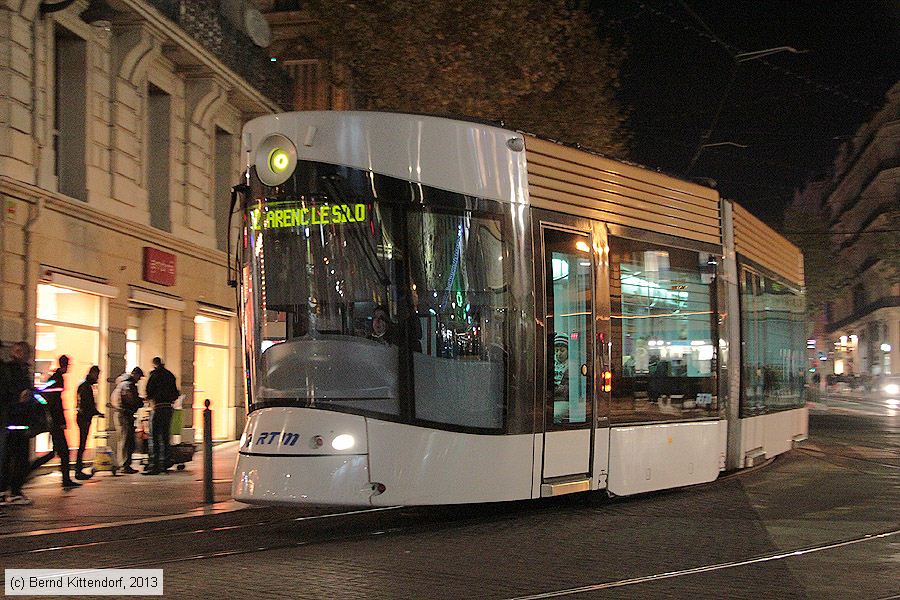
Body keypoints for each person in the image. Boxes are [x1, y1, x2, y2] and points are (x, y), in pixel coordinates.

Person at [30, 355, 80, 488]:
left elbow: (44, 394)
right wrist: (58, 418)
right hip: (56, 422)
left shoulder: (56, 378)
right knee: (63, 451)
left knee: (56, 452)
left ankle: (30, 469)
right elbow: (55, 402)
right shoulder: (57, 379)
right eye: (68, 365)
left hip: (55, 420)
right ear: (65, 365)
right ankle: (65, 480)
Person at [1, 342, 34, 502]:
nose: (28, 356)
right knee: (13, 458)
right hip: (13, 419)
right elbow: (6, 393)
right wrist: (18, 399)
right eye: (27, 353)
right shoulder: (10, 370)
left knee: (15, 458)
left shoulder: (22, 370)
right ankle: (11, 491)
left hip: (18, 419)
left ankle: (11, 491)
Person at [144, 357, 178, 475]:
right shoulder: (170, 375)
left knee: (154, 436)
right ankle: (165, 463)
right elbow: (175, 393)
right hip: (168, 408)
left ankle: (155, 465)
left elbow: (149, 391)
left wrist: (150, 399)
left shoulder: (154, 375)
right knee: (165, 436)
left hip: (158, 407)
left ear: (154, 365)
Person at [108, 367, 143, 474]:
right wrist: (140, 402)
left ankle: (124, 464)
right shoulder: (128, 385)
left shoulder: (121, 384)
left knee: (124, 440)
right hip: (125, 415)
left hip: (121, 414)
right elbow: (131, 399)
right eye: (139, 377)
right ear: (135, 374)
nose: (139, 379)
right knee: (126, 440)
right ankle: (125, 465)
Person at [74, 366, 103, 480]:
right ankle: (78, 470)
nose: (98, 378)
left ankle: (78, 469)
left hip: (83, 417)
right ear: (93, 373)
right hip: (84, 418)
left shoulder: (85, 386)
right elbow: (86, 404)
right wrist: (94, 412)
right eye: (97, 375)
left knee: (82, 444)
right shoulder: (86, 387)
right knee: (82, 444)